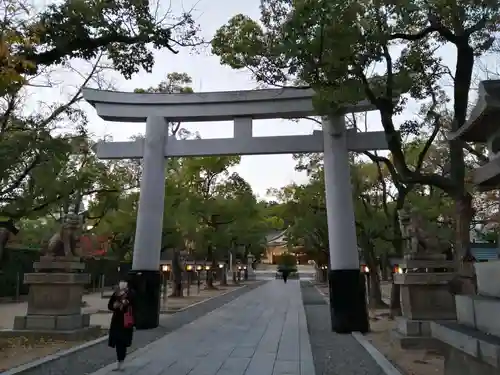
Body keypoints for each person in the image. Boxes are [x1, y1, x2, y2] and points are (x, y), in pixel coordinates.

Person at [108, 280, 134, 371]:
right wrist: (114, 305)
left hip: (126, 321)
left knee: (122, 342)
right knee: (118, 342)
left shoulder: (130, 294)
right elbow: (110, 305)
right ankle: (120, 361)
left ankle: (121, 361)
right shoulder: (115, 294)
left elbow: (132, 304)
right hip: (117, 321)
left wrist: (124, 302)